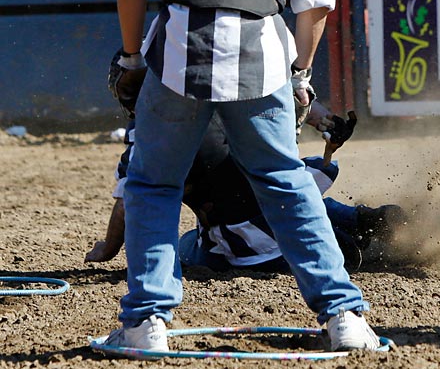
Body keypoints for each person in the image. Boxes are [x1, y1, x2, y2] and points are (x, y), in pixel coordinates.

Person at [100, 0, 382, 355]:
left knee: (154, 184)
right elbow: (317, 2)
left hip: (180, 56)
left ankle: (147, 323)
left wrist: (132, 57)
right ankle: (344, 317)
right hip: (264, 59)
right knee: (285, 183)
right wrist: (302, 74)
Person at [86, 109, 403, 273]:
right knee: (297, 195)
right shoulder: (230, 96)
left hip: (251, 244)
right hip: (291, 201)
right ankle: (357, 221)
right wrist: (324, 121)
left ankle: (335, 246)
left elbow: (129, 204)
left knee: (189, 246)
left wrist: (109, 248)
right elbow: (295, 92)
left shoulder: (147, 139)